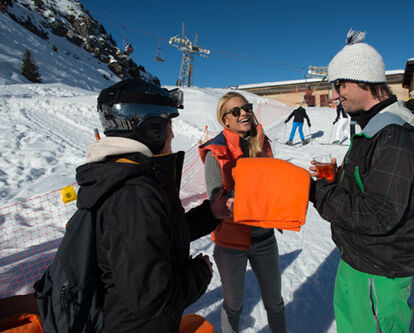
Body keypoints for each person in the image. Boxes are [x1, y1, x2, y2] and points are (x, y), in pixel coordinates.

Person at [75, 79, 231, 332]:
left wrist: (209, 213)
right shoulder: (133, 195)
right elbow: (152, 298)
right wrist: (200, 272)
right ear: (152, 129)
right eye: (168, 124)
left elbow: (158, 236)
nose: (172, 133)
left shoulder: (128, 176)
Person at [309, 30, 414, 333]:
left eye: (339, 85)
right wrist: (342, 179)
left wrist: (315, 192)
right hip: (359, 260)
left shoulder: (394, 136)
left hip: (376, 270)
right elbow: (374, 187)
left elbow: (379, 213)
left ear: (363, 79)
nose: (336, 95)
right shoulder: (375, 129)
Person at [199, 92, 287, 333]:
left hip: (264, 238)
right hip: (231, 243)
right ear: (225, 120)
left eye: (246, 107)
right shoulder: (215, 152)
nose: (244, 113)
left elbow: (272, 186)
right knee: (233, 306)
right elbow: (215, 204)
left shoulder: (262, 143)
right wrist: (243, 196)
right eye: (235, 111)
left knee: (275, 302)